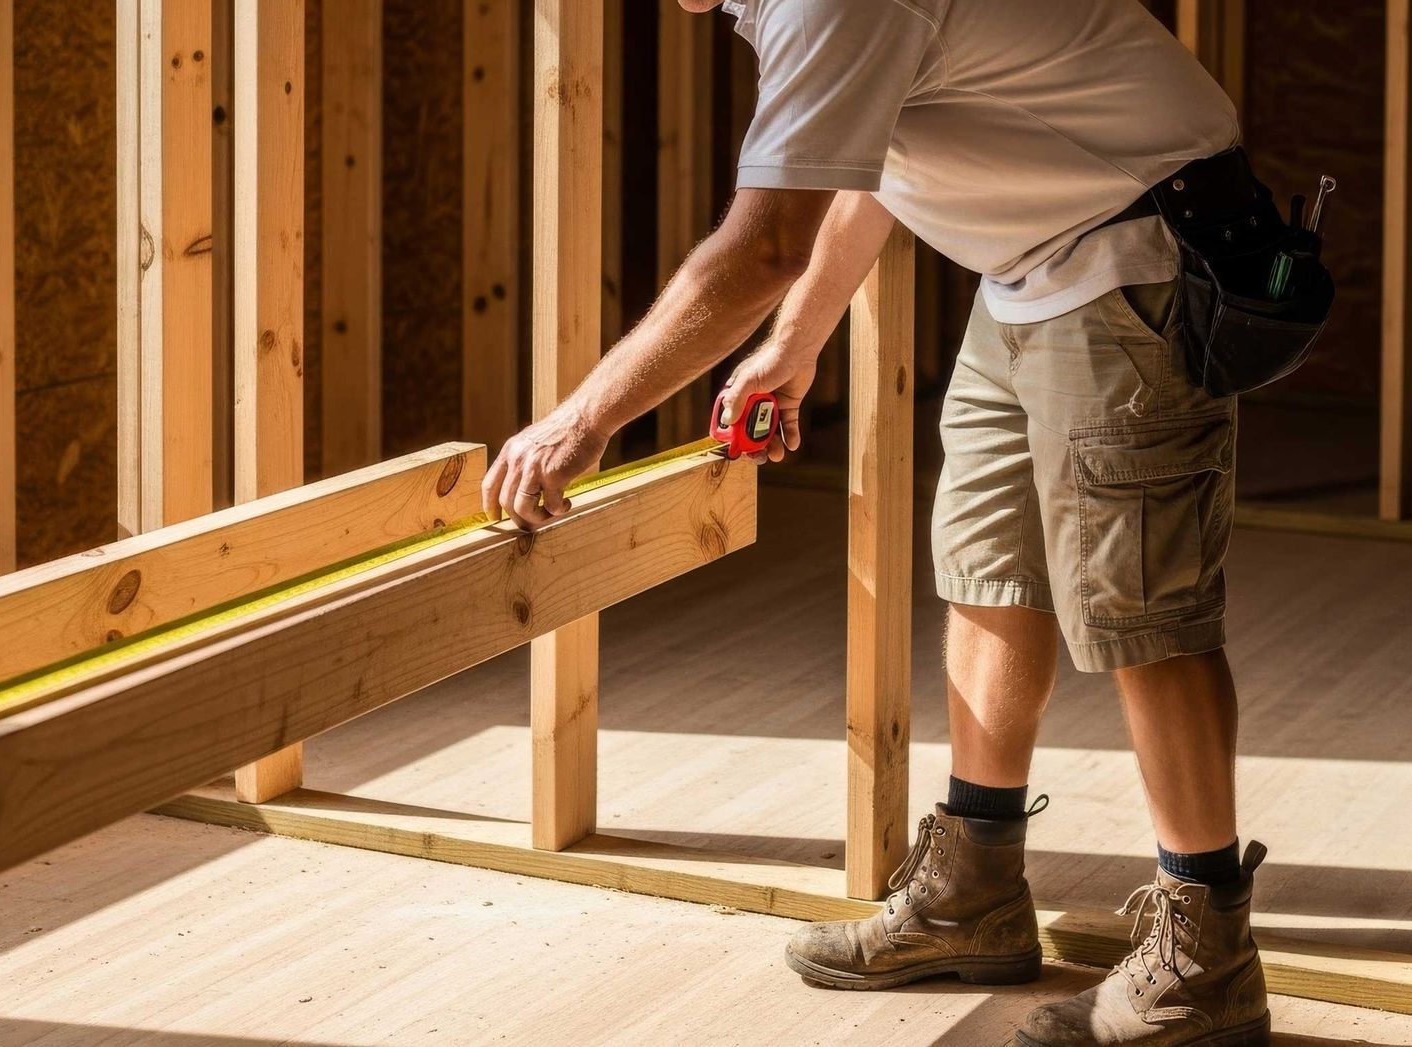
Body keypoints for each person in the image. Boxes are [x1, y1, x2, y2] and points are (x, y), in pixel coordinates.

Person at [483, 1, 1269, 1043]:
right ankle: (973, 894)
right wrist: (796, 344)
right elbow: (868, 166)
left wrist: (583, 421)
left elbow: (765, 246)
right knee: (989, 568)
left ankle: (1207, 963)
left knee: (1141, 609)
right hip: (1029, 269)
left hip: (1135, 258)